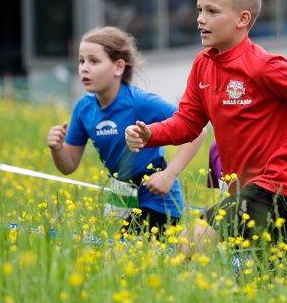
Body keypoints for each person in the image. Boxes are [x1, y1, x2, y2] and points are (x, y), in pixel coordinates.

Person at [125, 0, 287, 256]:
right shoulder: (202, 65)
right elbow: (188, 123)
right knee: (270, 282)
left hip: (277, 187)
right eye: (199, 10)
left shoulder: (264, 66)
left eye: (212, 11)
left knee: (191, 245)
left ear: (243, 19)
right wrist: (151, 134)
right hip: (240, 189)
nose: (200, 19)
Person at [46, 26, 205, 237]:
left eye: (94, 61)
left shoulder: (140, 102)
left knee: (122, 256)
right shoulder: (83, 108)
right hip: (121, 198)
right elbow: (69, 165)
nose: (84, 68)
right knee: (119, 261)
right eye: (81, 61)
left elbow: (197, 130)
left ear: (118, 67)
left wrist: (169, 175)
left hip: (158, 200)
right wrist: (57, 149)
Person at [206, 140, 287, 260]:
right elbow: (223, 193)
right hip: (238, 237)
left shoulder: (272, 145)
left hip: (282, 239)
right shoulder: (216, 148)